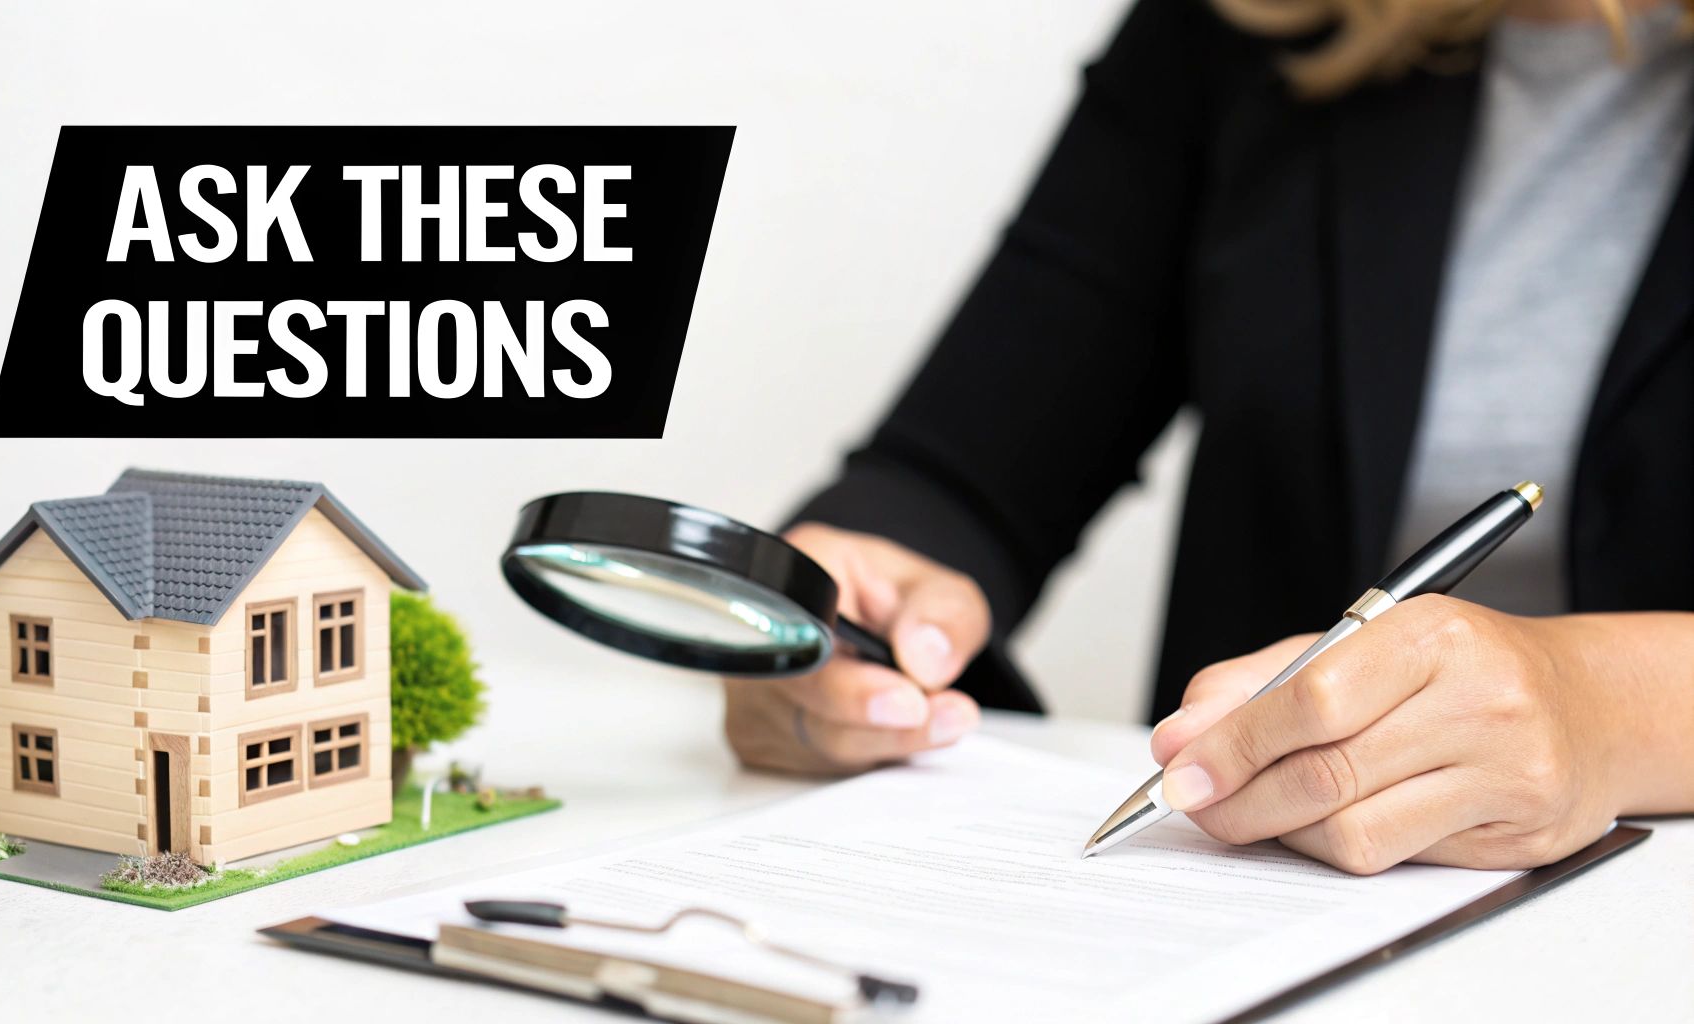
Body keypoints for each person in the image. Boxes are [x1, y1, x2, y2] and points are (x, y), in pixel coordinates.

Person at [722, 0, 1694, 874]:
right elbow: (959, 475)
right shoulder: (1250, 24)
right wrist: (851, 610)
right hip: (1247, 892)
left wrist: (1600, 705)